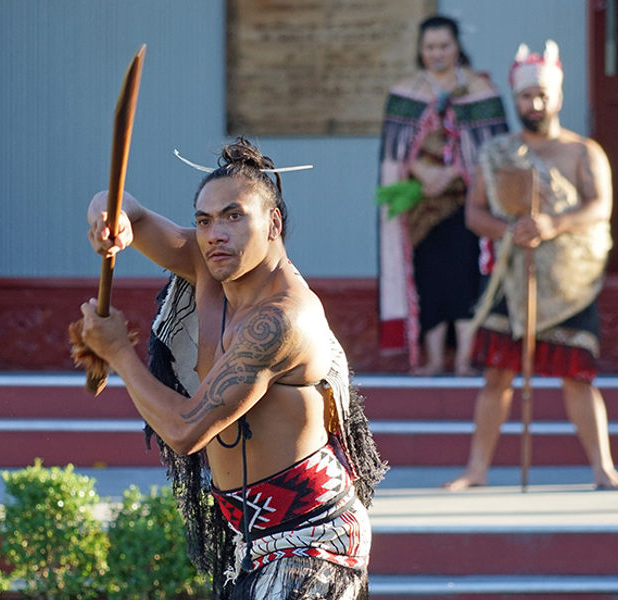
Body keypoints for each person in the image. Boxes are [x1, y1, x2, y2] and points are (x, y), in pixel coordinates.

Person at [79, 138, 386, 599]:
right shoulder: (209, 264)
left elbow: (186, 431)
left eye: (233, 216)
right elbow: (121, 206)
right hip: (252, 541)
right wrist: (111, 220)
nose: (214, 233)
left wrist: (119, 352)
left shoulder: (281, 319)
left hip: (314, 540)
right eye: (204, 220)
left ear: (273, 223)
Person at [445, 41, 618, 491]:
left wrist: (552, 224)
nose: (534, 104)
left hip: (569, 280)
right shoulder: (498, 152)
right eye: (526, 96)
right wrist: (513, 231)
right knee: (498, 374)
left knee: (577, 376)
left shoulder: (584, 152)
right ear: (515, 98)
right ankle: (477, 469)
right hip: (511, 273)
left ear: (557, 97)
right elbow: (475, 213)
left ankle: (603, 469)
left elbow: (600, 208)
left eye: (542, 95)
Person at [378, 15, 509, 376]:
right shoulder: (405, 92)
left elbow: (494, 149)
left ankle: (466, 359)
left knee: (466, 277)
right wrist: (422, 171)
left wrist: (452, 171)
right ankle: (434, 360)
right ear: (421, 51)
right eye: (430, 47)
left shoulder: (481, 89)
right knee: (429, 278)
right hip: (419, 205)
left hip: (468, 202)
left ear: (457, 47)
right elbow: (394, 152)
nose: (437, 53)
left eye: (444, 46)